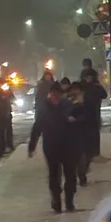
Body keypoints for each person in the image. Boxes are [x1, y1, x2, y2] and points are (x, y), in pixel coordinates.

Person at [30, 82, 80, 212]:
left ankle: (69, 200)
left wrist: (73, 120)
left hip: (69, 145)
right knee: (53, 174)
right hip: (51, 145)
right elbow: (37, 126)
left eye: (58, 94)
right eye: (53, 94)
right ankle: (56, 199)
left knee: (70, 174)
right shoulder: (43, 108)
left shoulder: (68, 106)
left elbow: (79, 121)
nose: (55, 97)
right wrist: (32, 145)